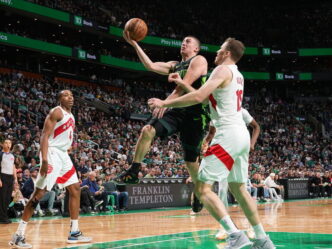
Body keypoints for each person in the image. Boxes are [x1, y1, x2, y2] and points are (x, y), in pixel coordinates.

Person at [148, 38, 275, 249]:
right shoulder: (237, 74)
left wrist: (165, 102)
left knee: (203, 188)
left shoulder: (220, 71)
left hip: (227, 134)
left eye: (220, 49)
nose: (216, 52)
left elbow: (199, 97)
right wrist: (182, 84)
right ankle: (262, 240)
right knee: (239, 189)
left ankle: (234, 234)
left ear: (226, 53)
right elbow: (207, 98)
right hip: (240, 135)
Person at [121, 32, 209, 210]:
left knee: (191, 163)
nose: (183, 43)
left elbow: (184, 85)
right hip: (177, 111)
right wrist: (134, 44)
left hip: (195, 114)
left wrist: (165, 102)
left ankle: (199, 192)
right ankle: (134, 169)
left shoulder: (199, 60)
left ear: (196, 48)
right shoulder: (175, 65)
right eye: (183, 41)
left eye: (188, 41)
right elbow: (150, 65)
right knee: (147, 130)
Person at [10, 90, 91, 248]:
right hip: (52, 153)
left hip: (63, 155)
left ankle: (74, 232)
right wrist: (44, 159)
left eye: (72, 95)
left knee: (75, 189)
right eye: (66, 95)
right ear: (60, 98)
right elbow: (44, 136)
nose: (71, 97)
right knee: (39, 193)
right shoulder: (56, 111)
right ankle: (19, 235)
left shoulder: (71, 116)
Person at [0, 139, 17, 224]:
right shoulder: (1, 154)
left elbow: (13, 167)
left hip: (10, 177)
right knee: (2, 198)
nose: (8, 144)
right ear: (2, 144)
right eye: (6, 143)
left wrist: (16, 179)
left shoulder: (12, 155)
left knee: (7, 198)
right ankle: (2, 218)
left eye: (9, 143)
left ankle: (4, 216)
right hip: (3, 176)